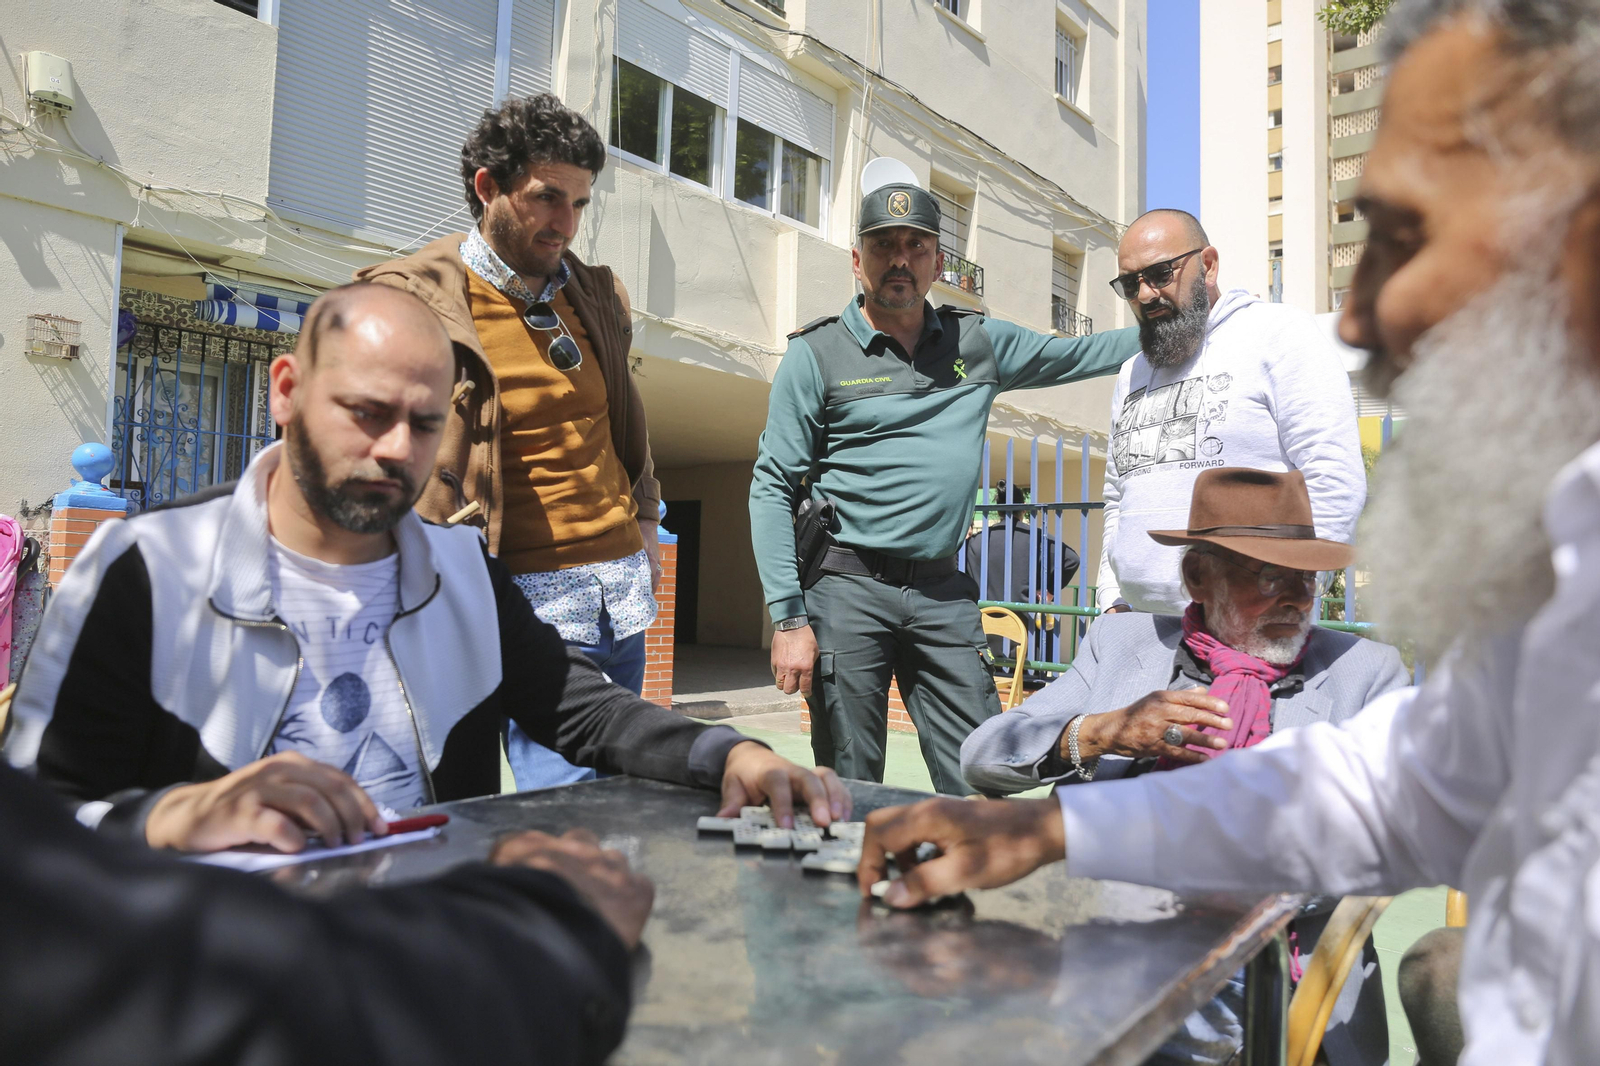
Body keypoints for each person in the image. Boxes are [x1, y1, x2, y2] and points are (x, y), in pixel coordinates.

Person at [856, 4, 1600, 1063]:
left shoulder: (1369, 658)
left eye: (1404, 237)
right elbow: (1385, 790)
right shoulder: (1553, 587)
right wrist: (1057, 818)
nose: (1358, 318)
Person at [5, 284, 847, 852]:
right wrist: (174, 815)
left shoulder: (463, 572)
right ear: (285, 391)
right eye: (366, 412)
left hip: (422, 966)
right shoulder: (145, 569)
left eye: (424, 422)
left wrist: (729, 754)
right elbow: (32, 819)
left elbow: (585, 710)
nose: (396, 450)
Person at [962, 468, 1405, 1066]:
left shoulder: (1364, 673)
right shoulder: (1124, 645)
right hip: (1092, 938)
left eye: (1308, 577)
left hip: (1263, 965)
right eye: (1270, 576)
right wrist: (1101, 732)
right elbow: (984, 757)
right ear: (1198, 576)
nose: (1299, 598)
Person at [749, 171, 1141, 794]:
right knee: (850, 783)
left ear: (938, 262)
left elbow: (1080, 355)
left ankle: (970, 858)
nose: (899, 259)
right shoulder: (815, 355)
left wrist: (1182, 321)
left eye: (916, 245)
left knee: (984, 767)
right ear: (857, 259)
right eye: (883, 244)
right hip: (846, 590)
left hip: (941, 591)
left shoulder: (977, 342)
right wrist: (790, 619)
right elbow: (772, 485)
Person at [356, 93, 660, 791]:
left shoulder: (594, 294)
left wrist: (646, 519)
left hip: (620, 599)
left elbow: (625, 419)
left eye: (579, 204)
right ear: (487, 186)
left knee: (618, 802)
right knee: (553, 815)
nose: (566, 224)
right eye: (547, 198)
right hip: (513, 606)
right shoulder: (416, 299)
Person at [0, 760, 650, 1065]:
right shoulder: (141, 565)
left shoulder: (463, 570)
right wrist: (540, 926)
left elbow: (571, 696)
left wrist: (140, 816)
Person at [1095, 209, 1366, 616]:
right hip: (1139, 623)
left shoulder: (1277, 334)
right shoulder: (1131, 372)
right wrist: (1111, 598)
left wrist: (1292, 592)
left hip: (1251, 626)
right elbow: (1118, 496)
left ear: (1208, 265)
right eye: (1131, 283)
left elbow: (1333, 475)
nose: (1146, 294)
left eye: (1161, 274)